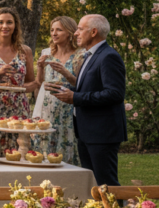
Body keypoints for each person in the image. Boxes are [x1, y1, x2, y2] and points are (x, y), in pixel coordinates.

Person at [48, 14, 126, 186]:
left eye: (80, 29)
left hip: (102, 133)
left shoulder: (108, 56)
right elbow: (89, 88)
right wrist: (65, 90)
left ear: (93, 32)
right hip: (86, 131)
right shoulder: (89, 55)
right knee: (92, 184)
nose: (76, 33)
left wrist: (75, 97)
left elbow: (115, 94)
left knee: (106, 183)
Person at [32, 16, 85, 165]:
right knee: (44, 147)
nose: (54, 33)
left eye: (59, 30)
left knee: (66, 147)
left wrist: (66, 73)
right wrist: (41, 68)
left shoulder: (80, 55)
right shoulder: (46, 52)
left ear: (69, 33)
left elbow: (81, 85)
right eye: (52, 30)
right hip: (47, 108)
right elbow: (40, 83)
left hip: (68, 109)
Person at [0, 8, 38, 151]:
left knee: (20, 152)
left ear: (15, 26)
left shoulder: (24, 51)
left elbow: (31, 82)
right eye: (1, 22)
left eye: (9, 22)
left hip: (19, 109)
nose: (5, 26)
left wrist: (31, 84)